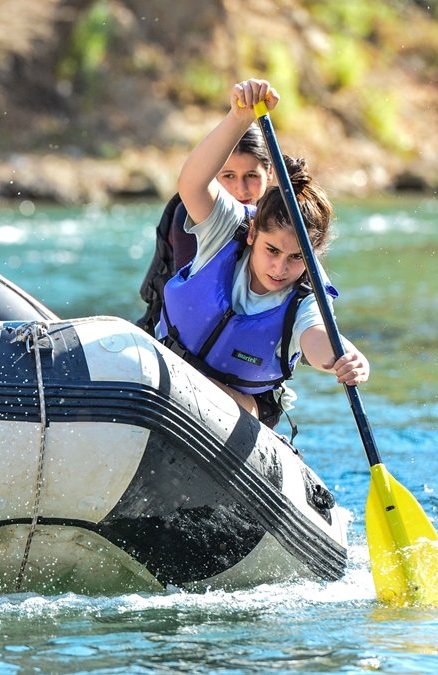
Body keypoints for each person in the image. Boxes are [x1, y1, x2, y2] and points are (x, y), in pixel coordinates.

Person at [156, 78, 370, 432]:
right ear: (253, 233)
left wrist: (344, 357)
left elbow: (317, 339)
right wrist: (238, 118)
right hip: (167, 365)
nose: (280, 267)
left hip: (239, 407)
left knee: (232, 404)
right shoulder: (227, 229)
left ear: (313, 256)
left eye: (296, 258)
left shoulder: (308, 295)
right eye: (272, 250)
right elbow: (192, 183)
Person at [136, 124, 272, 334]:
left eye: (251, 176)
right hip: (176, 339)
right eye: (228, 176)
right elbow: (195, 298)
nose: (241, 189)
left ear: (269, 173)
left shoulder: (280, 221)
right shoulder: (190, 215)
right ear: (214, 178)